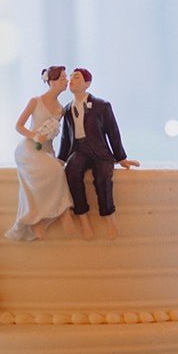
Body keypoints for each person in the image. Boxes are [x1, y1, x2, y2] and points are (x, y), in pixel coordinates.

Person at [57, 68, 139, 239]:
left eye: (76, 77)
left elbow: (113, 132)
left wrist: (121, 157)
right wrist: (60, 159)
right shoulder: (67, 110)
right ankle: (83, 218)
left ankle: (109, 218)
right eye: (70, 77)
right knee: (72, 172)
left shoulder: (102, 106)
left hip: (99, 151)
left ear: (87, 83)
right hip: (79, 150)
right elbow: (65, 137)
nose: (71, 80)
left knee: (102, 177)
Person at [6, 66, 75, 241]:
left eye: (65, 78)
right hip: (28, 149)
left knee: (55, 168)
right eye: (61, 78)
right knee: (52, 172)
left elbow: (51, 139)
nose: (65, 81)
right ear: (51, 81)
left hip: (45, 152)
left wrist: (53, 157)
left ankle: (59, 213)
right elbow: (18, 125)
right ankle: (45, 217)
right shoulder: (35, 101)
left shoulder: (61, 109)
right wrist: (34, 136)